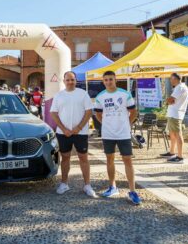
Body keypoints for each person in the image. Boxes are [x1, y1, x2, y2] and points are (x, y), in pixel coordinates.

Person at [94, 71, 141, 205]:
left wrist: (127, 124)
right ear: (103, 81)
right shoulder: (100, 96)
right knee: (110, 159)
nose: (108, 82)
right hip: (108, 133)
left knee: (127, 160)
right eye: (106, 80)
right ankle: (112, 186)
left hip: (123, 133)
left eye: (111, 79)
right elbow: (98, 114)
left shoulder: (125, 94)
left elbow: (133, 112)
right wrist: (106, 124)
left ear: (115, 80)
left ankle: (132, 191)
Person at [50, 71, 96, 197]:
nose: (70, 82)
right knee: (65, 158)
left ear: (76, 81)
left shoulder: (82, 94)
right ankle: (64, 184)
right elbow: (53, 113)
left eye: (72, 80)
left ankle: (87, 185)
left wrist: (79, 127)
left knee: (83, 158)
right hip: (63, 133)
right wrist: (64, 129)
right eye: (68, 80)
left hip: (80, 133)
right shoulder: (59, 95)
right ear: (64, 81)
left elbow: (89, 111)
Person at [161, 73, 188, 163]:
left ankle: (180, 157)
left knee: (177, 134)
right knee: (173, 134)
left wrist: (168, 100)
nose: (170, 80)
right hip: (174, 114)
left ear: (176, 79)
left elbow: (170, 100)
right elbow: (171, 100)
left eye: (171, 79)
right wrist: (169, 101)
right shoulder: (181, 87)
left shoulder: (179, 88)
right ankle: (172, 152)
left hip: (175, 114)